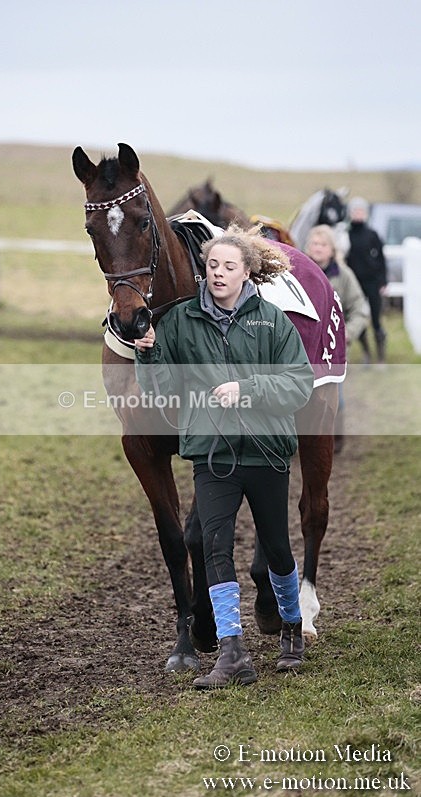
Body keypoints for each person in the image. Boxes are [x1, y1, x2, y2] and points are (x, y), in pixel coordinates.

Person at [134, 225, 315, 689]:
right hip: (212, 455)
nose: (218, 273)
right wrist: (149, 358)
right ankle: (232, 652)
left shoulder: (272, 321)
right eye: (212, 265)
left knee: (276, 546)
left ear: (246, 272)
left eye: (228, 266)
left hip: (265, 451)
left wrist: (247, 390)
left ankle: (291, 628)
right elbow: (161, 392)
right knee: (214, 549)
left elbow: (298, 384)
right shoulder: (180, 322)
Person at [305, 224, 370, 452]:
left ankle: (335, 439)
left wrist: (348, 333)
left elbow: (360, 307)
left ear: (332, 250)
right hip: (303, 349)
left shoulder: (343, 276)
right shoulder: (298, 273)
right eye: (314, 243)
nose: (318, 248)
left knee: (334, 398)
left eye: (323, 244)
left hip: (331, 350)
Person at [346, 197, 388, 363]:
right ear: (350, 213)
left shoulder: (372, 235)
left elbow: (381, 260)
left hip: (373, 282)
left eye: (361, 211)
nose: (358, 214)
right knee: (359, 318)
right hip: (355, 284)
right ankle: (367, 354)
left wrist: (383, 281)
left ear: (366, 214)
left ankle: (381, 357)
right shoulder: (346, 236)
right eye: (355, 211)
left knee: (376, 320)